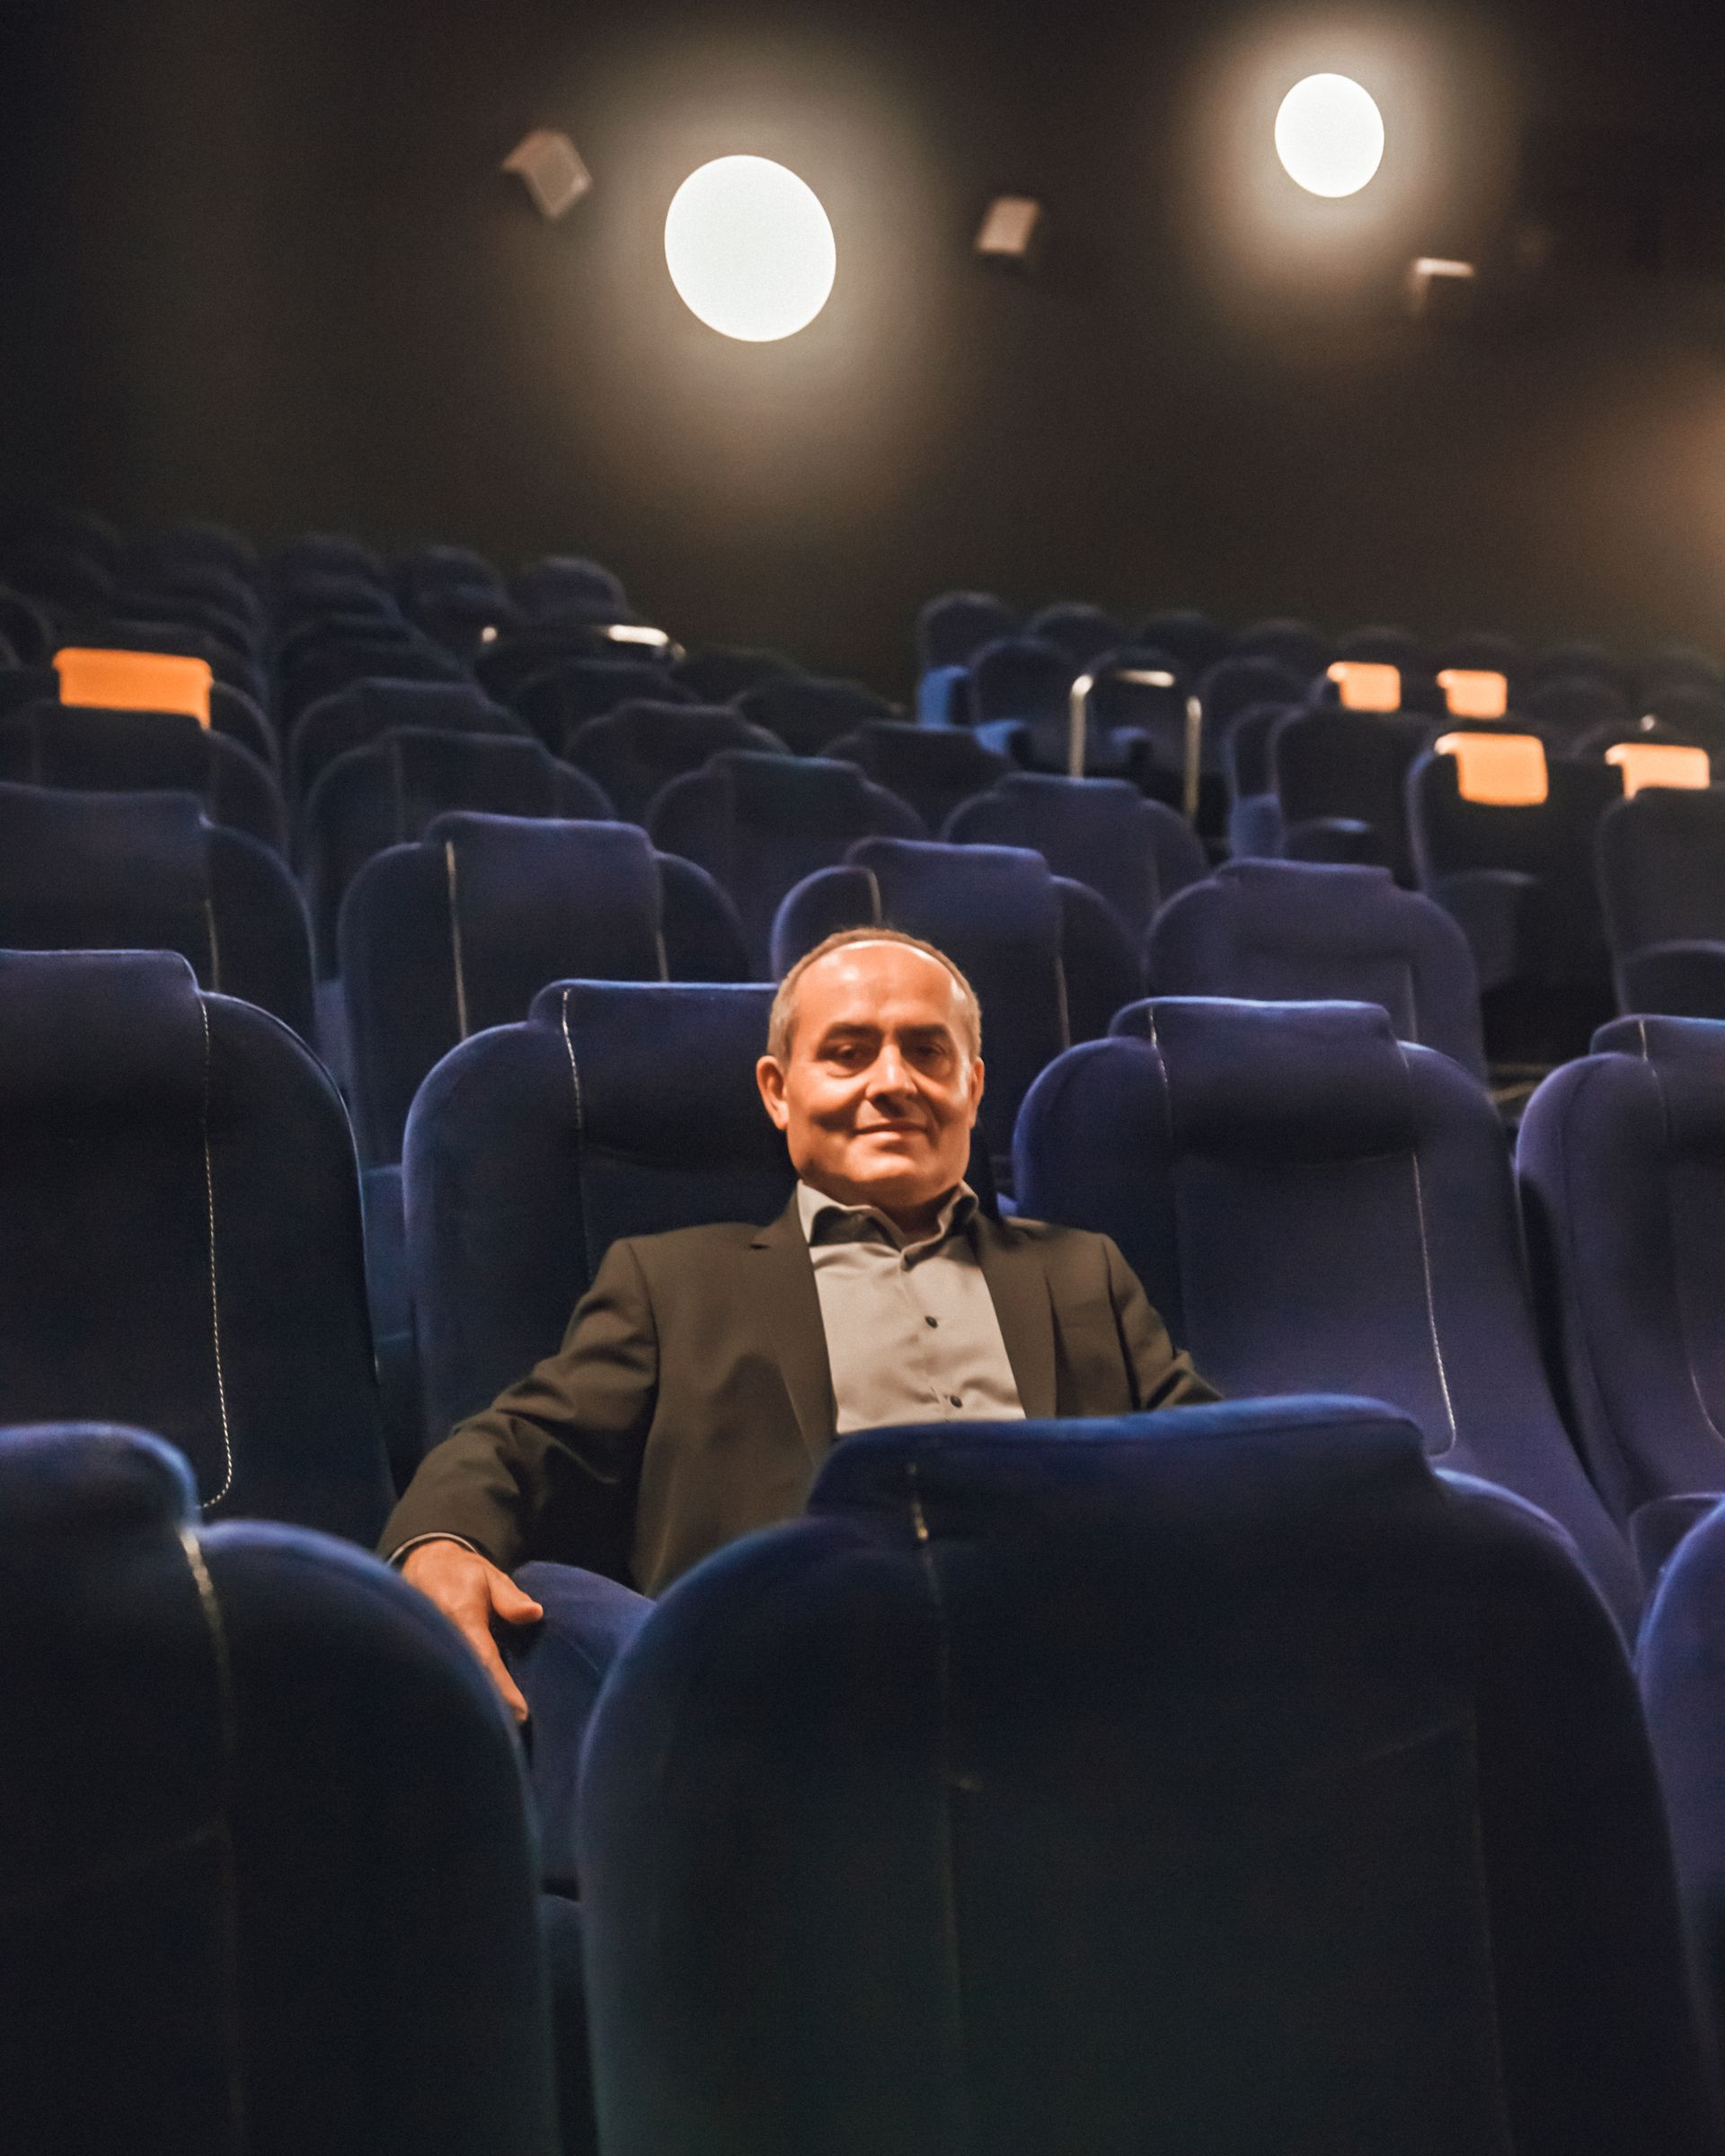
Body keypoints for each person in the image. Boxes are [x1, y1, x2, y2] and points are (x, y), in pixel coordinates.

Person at [385, 927, 1216, 1718]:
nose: (892, 1082)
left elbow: (1224, 1455)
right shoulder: (673, 1282)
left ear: (973, 1086)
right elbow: (521, 1442)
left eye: (927, 1052)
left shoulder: (1082, 1273)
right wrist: (440, 1542)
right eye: (848, 1054)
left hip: (1079, 1696)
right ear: (779, 1092)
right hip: (792, 1704)